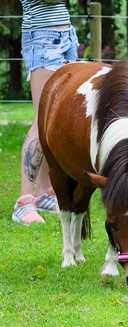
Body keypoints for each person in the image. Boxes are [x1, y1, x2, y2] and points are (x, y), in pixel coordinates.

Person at [13, 0, 78, 224]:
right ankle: (24, 202)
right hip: (42, 38)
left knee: (53, 121)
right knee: (41, 122)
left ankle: (42, 193)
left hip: (65, 34)